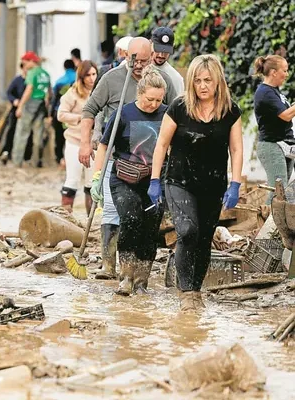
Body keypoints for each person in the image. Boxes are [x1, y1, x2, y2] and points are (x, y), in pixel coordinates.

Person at [79, 37, 178, 280]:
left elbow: (174, 114)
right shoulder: (112, 79)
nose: (140, 65)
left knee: (143, 218)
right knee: (114, 212)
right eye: (136, 60)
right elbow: (90, 110)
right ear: (126, 55)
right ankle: (109, 265)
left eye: (145, 60)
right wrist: (85, 143)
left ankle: (137, 272)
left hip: (151, 164)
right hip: (117, 157)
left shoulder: (161, 80)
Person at [149, 54, 243, 311]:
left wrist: (235, 184)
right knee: (188, 231)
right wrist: (155, 180)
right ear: (191, 82)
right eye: (198, 80)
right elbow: (161, 144)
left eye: (208, 80)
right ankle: (186, 291)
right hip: (179, 180)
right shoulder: (179, 107)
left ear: (218, 82)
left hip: (213, 184)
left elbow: (236, 149)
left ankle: (196, 289)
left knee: (203, 238)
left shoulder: (230, 111)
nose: (203, 86)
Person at [90, 67, 168, 295]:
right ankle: (126, 276)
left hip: (154, 178)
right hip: (124, 177)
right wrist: (97, 177)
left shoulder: (167, 115)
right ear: (139, 93)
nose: (154, 104)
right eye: (149, 99)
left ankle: (142, 281)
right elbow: (105, 145)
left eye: (158, 100)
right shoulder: (123, 114)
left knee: (151, 226)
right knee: (131, 218)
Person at [253, 55, 295, 203]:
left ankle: (278, 223)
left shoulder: (275, 91)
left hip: (284, 144)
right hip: (272, 145)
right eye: (285, 70)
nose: (287, 74)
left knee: (282, 189)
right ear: (273, 72)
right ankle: (269, 223)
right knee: (278, 189)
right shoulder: (265, 93)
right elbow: (286, 115)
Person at [58, 60, 99, 213]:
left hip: (94, 142)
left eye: (94, 74)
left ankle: (91, 221)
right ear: (81, 77)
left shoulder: (99, 92)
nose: (91, 78)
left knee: (92, 182)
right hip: (75, 140)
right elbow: (60, 114)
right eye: (87, 75)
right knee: (72, 179)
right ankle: (65, 216)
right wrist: (79, 119)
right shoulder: (73, 93)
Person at [12, 51, 51, 167]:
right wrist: (47, 111)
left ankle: (17, 162)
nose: (24, 66)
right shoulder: (45, 74)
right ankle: (37, 161)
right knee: (38, 135)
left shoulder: (32, 73)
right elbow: (49, 93)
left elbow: (28, 90)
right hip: (41, 105)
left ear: (30, 61)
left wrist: (20, 107)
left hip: (30, 105)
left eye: (25, 63)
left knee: (22, 134)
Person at [0, 62, 31, 164]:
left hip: (28, 110)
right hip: (16, 110)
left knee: (27, 133)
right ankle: (6, 152)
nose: (28, 70)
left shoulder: (31, 81)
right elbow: (9, 93)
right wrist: (14, 101)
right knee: (11, 130)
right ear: (22, 68)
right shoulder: (17, 80)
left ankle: (26, 157)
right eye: (27, 68)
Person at [52, 59, 78, 167]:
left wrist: (50, 113)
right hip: (75, 113)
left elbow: (54, 99)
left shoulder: (59, 81)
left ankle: (60, 158)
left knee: (59, 137)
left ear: (64, 67)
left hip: (61, 112)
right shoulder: (78, 79)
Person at [150, 27, 185, 95]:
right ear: (151, 43)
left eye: (166, 51)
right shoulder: (138, 68)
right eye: (158, 49)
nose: (161, 55)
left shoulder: (175, 78)